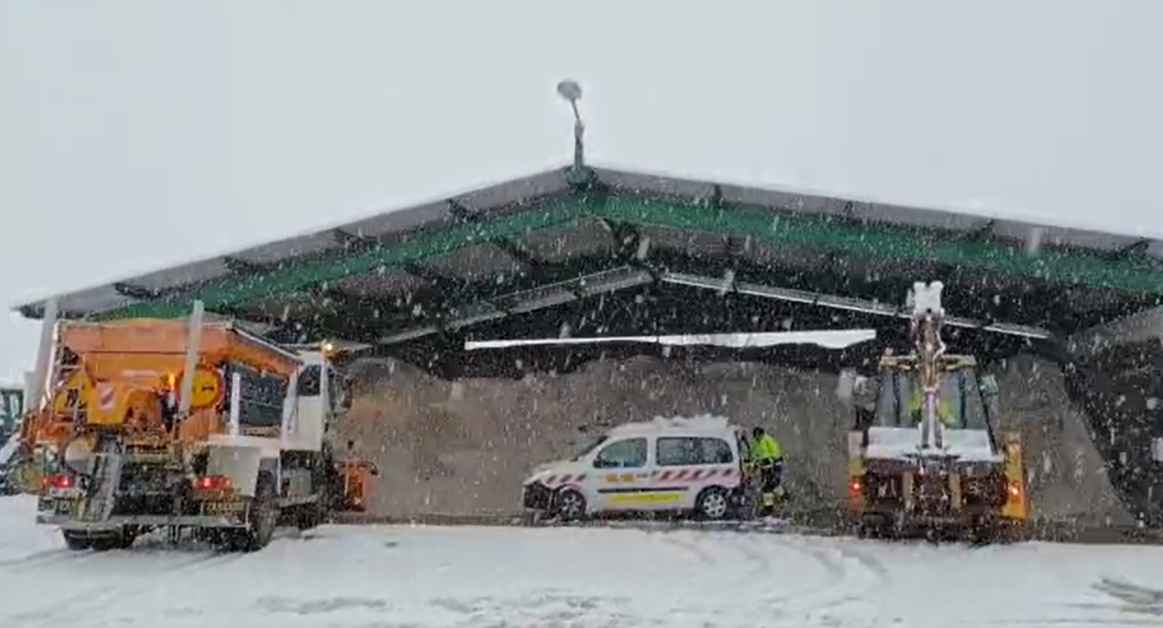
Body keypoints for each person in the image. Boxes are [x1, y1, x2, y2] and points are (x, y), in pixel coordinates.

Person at [749, 426, 785, 514]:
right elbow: (754, 454)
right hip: (764, 468)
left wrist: (772, 461)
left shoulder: (768, 440)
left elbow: (776, 453)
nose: (757, 438)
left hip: (772, 467)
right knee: (772, 485)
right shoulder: (754, 442)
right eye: (756, 436)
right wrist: (754, 464)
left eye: (759, 436)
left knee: (768, 486)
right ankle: (783, 496)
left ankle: (769, 507)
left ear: (762, 434)